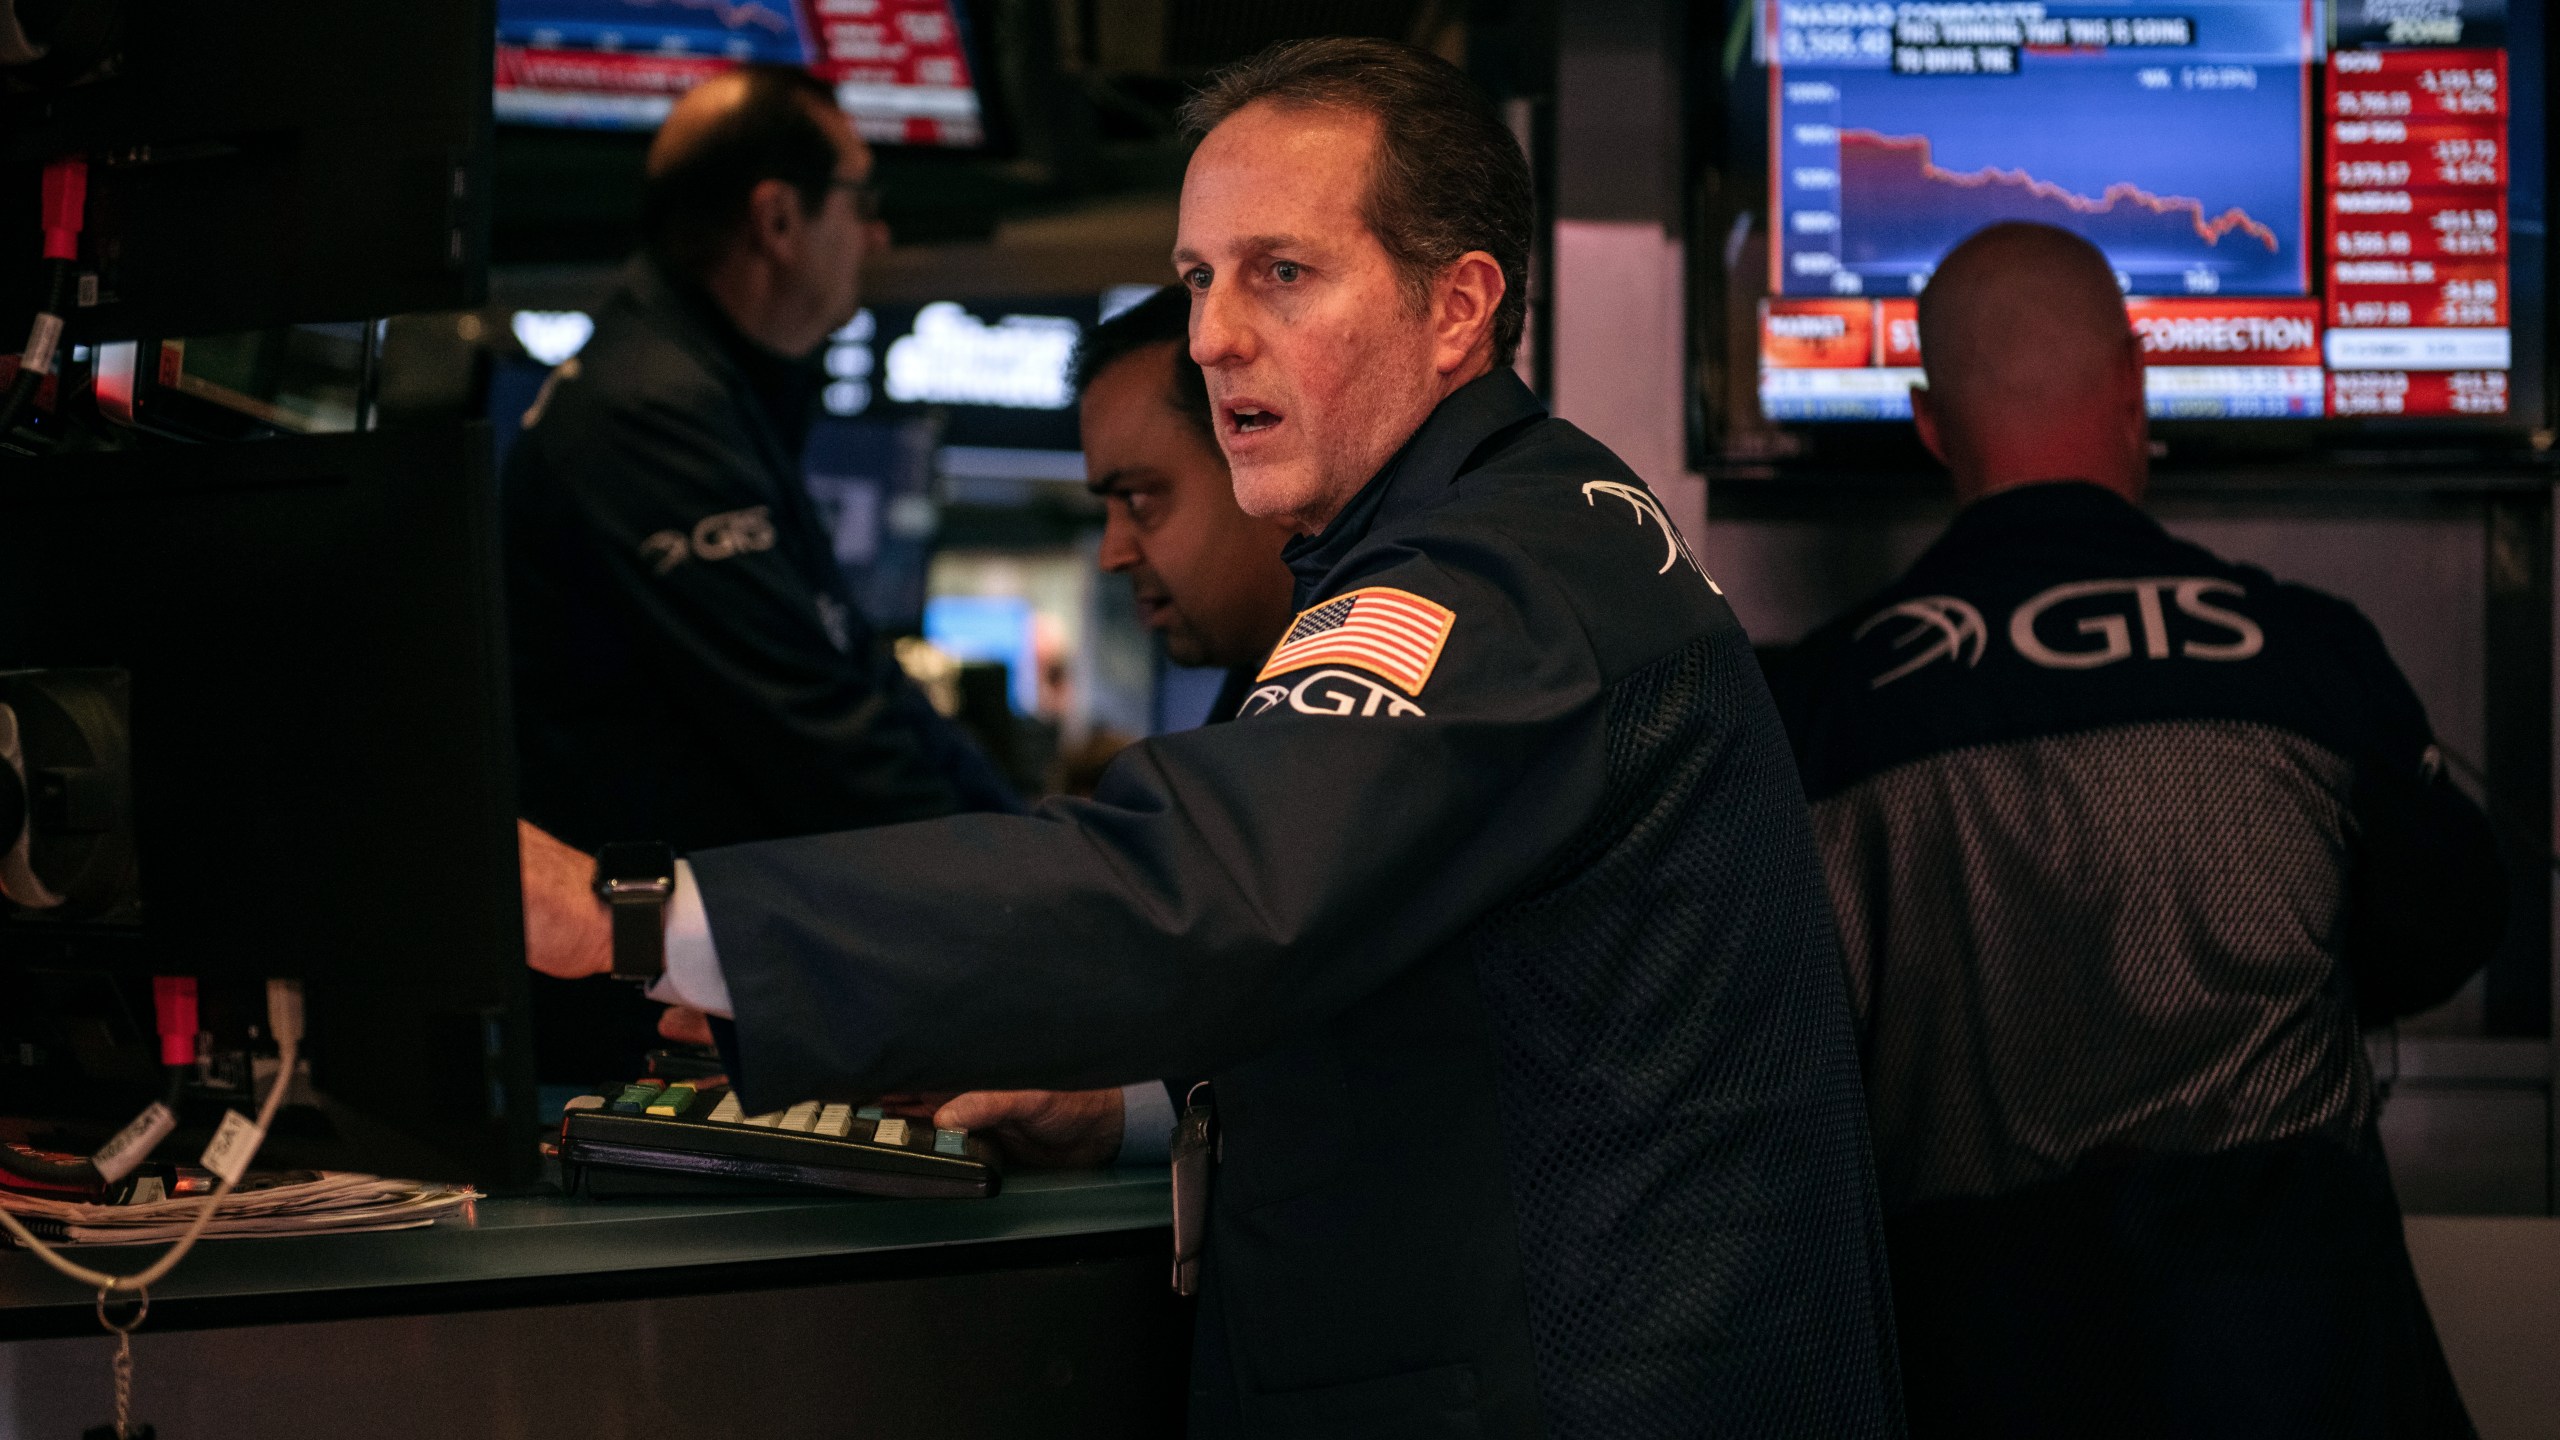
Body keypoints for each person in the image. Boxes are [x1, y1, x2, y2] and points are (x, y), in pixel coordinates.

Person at [521, 39, 1901, 1438]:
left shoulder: (1491, 587)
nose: (1211, 336)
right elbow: (1436, 1001)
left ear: (1457, 308)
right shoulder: (1516, 532)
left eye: (1280, 275)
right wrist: (1122, 1102)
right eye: (1197, 280)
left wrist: (635, 915)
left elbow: (1199, 892)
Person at [1770, 221, 2503, 1439]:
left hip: (1977, 1374)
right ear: (2135, 381)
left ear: (1929, 421)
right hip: (2304, 1368)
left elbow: (1775, 1047)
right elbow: (2449, 925)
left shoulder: (1822, 707)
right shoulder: (2304, 652)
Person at [501, 66, 1015, 1079]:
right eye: (862, 202)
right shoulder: (651, 414)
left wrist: (1027, 855)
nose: (878, 237)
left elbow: (856, 684)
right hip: (629, 1018)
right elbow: (820, 734)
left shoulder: (708, 390)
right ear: (778, 219)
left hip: (680, 986)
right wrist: (1013, 914)